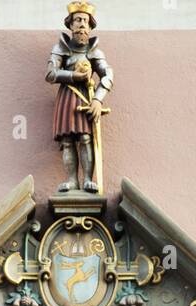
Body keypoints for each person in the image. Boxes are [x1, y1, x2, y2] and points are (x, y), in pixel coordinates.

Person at [46, 4, 113, 194]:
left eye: (85, 21)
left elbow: (107, 75)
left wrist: (98, 100)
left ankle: (87, 180)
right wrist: (74, 76)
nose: (81, 25)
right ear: (71, 25)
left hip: (86, 97)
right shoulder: (60, 48)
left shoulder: (95, 51)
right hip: (68, 96)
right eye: (77, 20)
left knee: (85, 138)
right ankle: (72, 181)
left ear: (90, 27)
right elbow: (50, 74)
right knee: (68, 140)